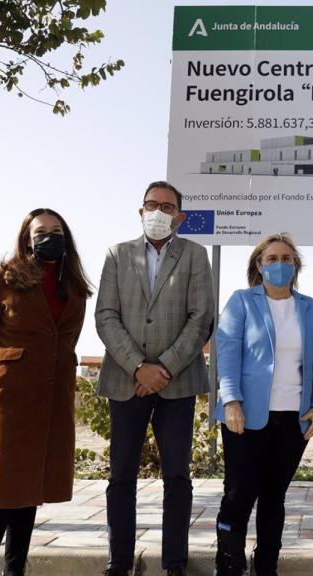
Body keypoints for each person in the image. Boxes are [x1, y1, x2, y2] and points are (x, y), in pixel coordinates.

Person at [96, 181, 216, 576]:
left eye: (168, 207)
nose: (159, 212)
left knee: (178, 476)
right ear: (140, 210)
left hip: (176, 383)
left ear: (179, 216)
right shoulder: (117, 255)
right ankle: (118, 560)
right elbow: (106, 317)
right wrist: (137, 366)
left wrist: (163, 368)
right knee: (121, 476)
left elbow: (202, 319)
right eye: (152, 205)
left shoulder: (196, 256)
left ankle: (175, 563)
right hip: (126, 382)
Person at [0, 208, 92, 576]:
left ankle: (14, 570)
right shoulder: (1, 279)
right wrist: (6, 374)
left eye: (57, 231)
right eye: (40, 231)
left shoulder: (74, 288)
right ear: (26, 239)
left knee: (29, 490)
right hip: (7, 401)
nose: (49, 237)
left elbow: (65, 341)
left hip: (51, 401)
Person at [213, 233, 313, 576]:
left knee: (274, 497)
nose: (280, 264)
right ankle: (229, 563)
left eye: (286, 258)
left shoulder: (310, 308)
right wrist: (231, 400)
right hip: (246, 416)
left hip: (293, 419)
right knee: (239, 494)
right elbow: (227, 354)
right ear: (259, 265)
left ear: (295, 266)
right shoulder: (241, 302)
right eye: (272, 258)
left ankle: (266, 566)